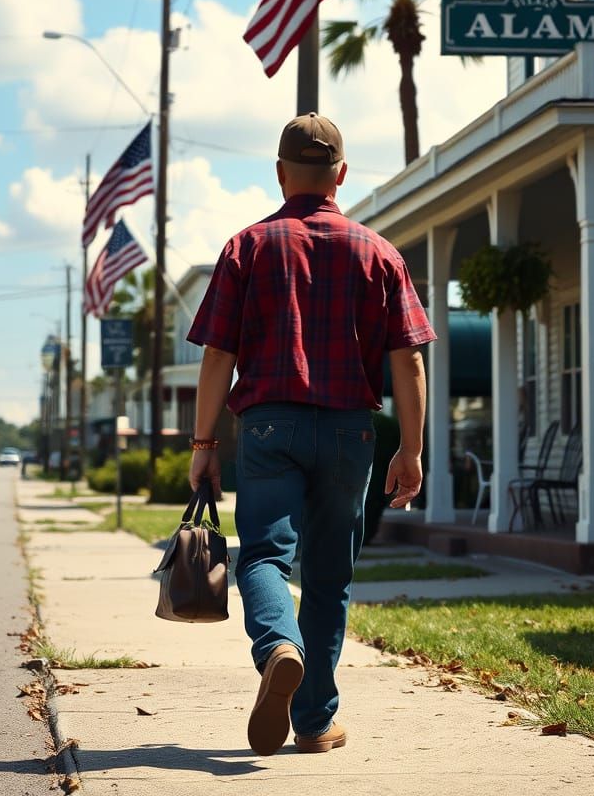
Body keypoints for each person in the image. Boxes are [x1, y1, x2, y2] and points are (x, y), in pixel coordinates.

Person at [186, 112, 435, 758]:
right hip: (351, 431)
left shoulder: (246, 248)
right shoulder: (378, 252)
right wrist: (410, 449)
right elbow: (409, 359)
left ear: (279, 174)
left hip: (268, 424)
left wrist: (204, 446)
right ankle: (315, 720)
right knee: (329, 577)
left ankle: (277, 646)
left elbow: (216, 355)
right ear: (341, 176)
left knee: (264, 556)